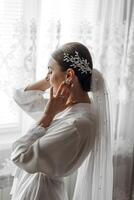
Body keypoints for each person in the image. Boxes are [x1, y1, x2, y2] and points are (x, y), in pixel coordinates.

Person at [10, 42, 113, 200]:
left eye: (50, 71)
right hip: (35, 187)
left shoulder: (77, 124)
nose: (47, 78)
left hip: (40, 193)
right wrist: (51, 79)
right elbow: (21, 97)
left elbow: (20, 155)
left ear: (70, 75)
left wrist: (48, 115)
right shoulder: (67, 107)